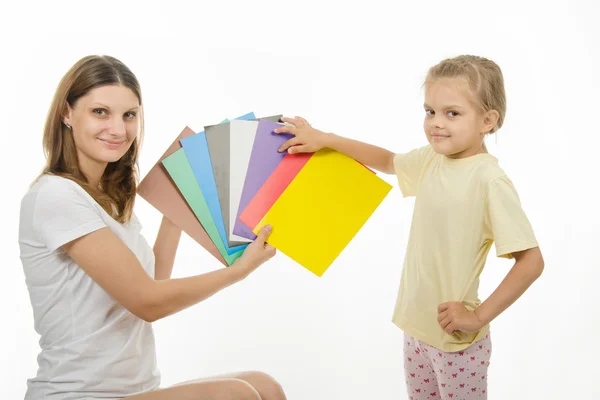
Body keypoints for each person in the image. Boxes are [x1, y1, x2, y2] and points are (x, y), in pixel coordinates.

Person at [275, 55, 544, 399]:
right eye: (430, 111)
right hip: (416, 330)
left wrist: (477, 318)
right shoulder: (433, 159)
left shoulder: (489, 181)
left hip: (455, 343)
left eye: (452, 113)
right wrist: (326, 139)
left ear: (487, 120)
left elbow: (531, 262)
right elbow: (388, 161)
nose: (436, 123)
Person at [18, 55, 287, 400]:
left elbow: (153, 281)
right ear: (67, 114)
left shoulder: (110, 201)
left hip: (136, 390)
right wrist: (239, 270)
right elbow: (146, 302)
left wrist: (178, 202)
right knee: (237, 395)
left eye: (129, 115)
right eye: (100, 112)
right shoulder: (56, 196)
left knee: (265, 385)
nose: (118, 129)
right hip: (79, 394)